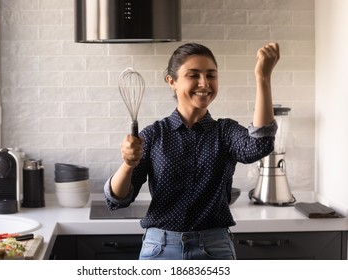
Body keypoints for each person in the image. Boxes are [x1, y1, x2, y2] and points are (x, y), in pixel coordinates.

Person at [104, 42, 280, 260]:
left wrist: (263, 77)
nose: (204, 83)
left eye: (211, 75)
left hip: (214, 249)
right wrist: (128, 164)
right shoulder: (153, 135)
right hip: (160, 249)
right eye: (193, 75)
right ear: (172, 82)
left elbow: (259, 145)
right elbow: (118, 199)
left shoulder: (224, 132)